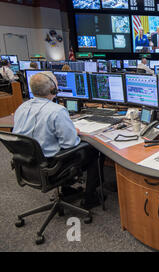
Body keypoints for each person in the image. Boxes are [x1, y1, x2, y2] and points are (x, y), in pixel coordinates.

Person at [12, 72, 103, 209]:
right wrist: (74, 132)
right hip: (51, 166)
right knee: (94, 150)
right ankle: (90, 198)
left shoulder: (21, 107)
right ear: (53, 89)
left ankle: (67, 190)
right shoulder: (57, 111)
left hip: (28, 165)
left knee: (61, 146)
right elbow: (70, 143)